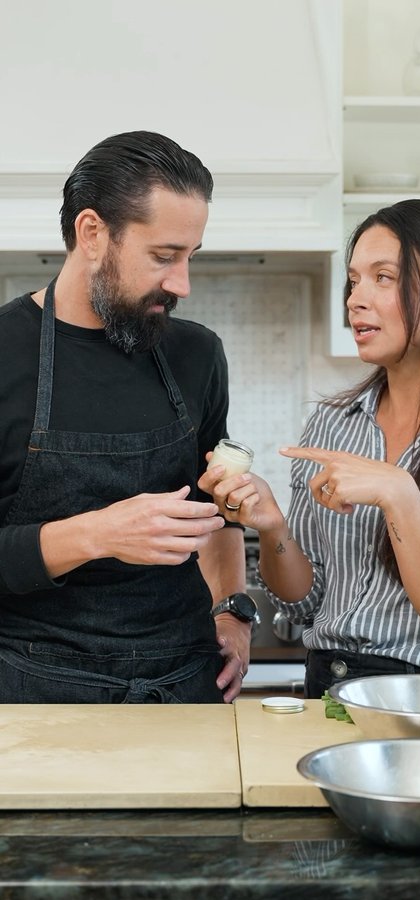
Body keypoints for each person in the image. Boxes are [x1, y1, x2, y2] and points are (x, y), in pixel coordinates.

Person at [200, 199, 420, 697]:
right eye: (354, 279)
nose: (355, 298)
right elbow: (305, 601)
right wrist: (274, 526)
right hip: (331, 686)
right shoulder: (331, 424)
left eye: (383, 278)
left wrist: (400, 494)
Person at [0, 130, 253, 704]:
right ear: (92, 233)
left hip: (187, 682)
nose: (181, 283)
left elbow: (217, 508)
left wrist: (234, 610)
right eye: (163, 257)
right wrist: (98, 533)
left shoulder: (198, 356)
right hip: (34, 695)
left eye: (190, 257)